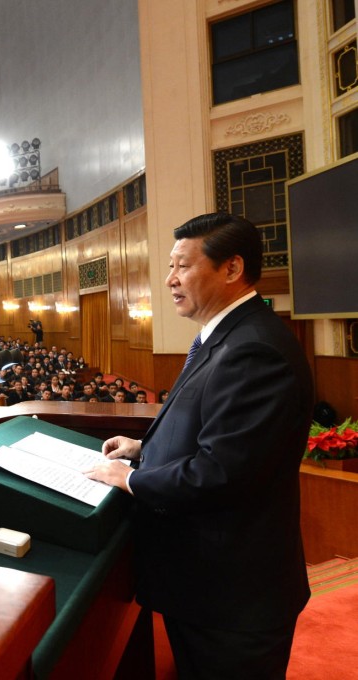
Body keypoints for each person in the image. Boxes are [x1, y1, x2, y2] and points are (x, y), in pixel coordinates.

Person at [85, 212, 313, 679]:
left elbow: (222, 472)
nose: (170, 279)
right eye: (170, 266)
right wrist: (142, 449)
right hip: (209, 588)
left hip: (233, 596)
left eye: (183, 266)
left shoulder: (254, 349)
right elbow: (208, 432)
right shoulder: (223, 338)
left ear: (231, 269)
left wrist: (130, 479)